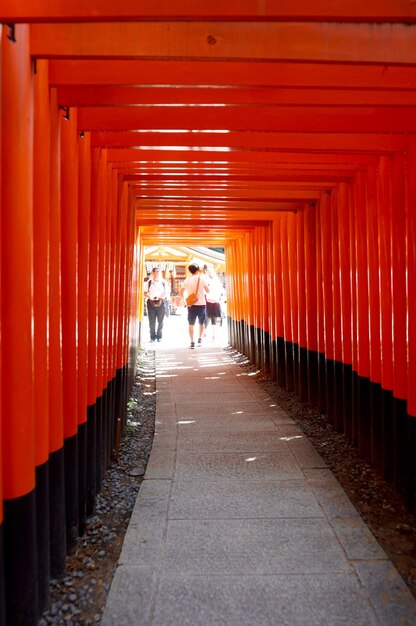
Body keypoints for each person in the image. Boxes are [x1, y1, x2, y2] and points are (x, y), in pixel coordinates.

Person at [179, 263, 209, 348]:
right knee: (201, 322)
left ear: (190, 271)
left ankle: (192, 341)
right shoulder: (202, 279)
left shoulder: (187, 280)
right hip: (201, 304)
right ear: (197, 270)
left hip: (191, 305)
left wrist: (184, 300)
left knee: (191, 323)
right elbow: (208, 291)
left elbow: (181, 292)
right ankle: (200, 338)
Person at [144, 267, 169, 342]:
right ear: (152, 273)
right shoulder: (149, 282)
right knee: (152, 321)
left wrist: (161, 297)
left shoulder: (163, 282)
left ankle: (159, 337)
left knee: (161, 321)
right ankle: (152, 337)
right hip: (151, 303)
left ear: (160, 273)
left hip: (161, 303)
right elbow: (144, 292)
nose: (156, 274)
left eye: (157, 272)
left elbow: (167, 293)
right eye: (154, 272)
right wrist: (150, 297)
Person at [202, 265, 223, 340]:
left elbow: (219, 288)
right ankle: (207, 331)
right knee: (209, 316)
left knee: (211, 316)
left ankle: (211, 333)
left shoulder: (211, 277)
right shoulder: (206, 277)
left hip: (212, 299)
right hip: (210, 299)